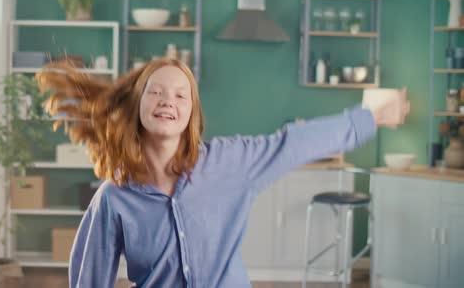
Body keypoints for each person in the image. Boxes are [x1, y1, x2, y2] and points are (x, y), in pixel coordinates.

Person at [36, 58, 409, 288]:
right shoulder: (114, 197)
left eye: (181, 95)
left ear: (191, 114)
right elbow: (89, 280)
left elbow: (293, 143)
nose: (168, 100)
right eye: (156, 92)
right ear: (137, 105)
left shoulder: (228, 163)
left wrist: (369, 119)